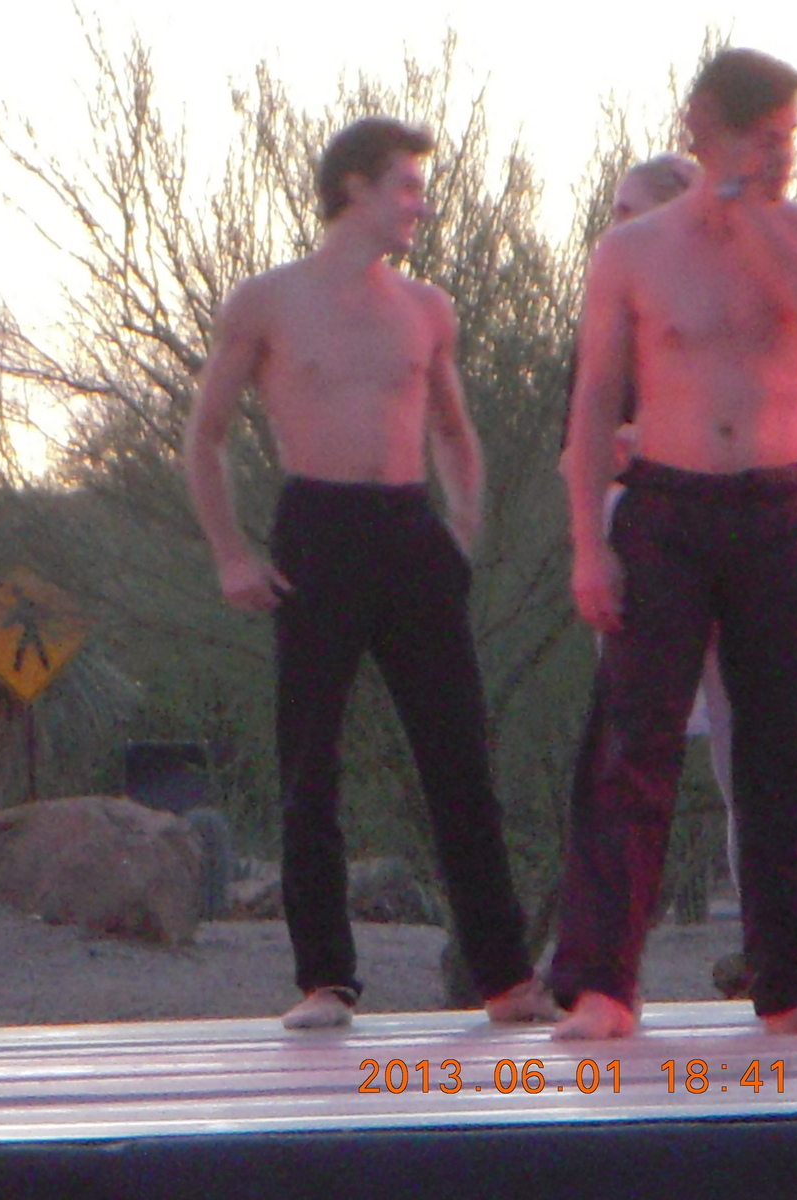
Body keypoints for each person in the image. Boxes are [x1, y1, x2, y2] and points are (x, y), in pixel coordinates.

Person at [183, 116, 554, 1030]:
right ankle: (326, 980)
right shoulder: (267, 301)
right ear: (354, 186)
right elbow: (207, 433)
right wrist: (231, 551)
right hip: (318, 528)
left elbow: (454, 433)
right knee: (310, 760)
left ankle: (506, 976)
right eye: (407, 186)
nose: (420, 205)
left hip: (409, 530)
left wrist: (460, 528)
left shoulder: (426, 308)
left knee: (459, 758)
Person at [553, 48, 797, 1040]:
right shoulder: (632, 254)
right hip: (666, 510)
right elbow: (594, 400)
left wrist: (740, 206)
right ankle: (602, 984)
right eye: (760, 137)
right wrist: (588, 546)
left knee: (787, 748)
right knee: (631, 747)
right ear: (705, 127)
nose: (778, 155)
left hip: (775, 509)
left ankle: (795, 982)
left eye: (789, 139)